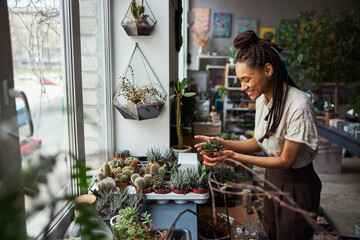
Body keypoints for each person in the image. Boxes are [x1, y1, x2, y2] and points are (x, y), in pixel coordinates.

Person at [195, 30, 322, 240]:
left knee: (291, 235)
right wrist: (224, 143)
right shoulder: (263, 99)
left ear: (268, 70)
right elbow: (258, 142)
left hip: (297, 185)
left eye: (246, 79)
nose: (243, 87)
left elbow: (286, 160)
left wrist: (232, 156)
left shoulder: (298, 104)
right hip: (272, 178)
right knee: (273, 232)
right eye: (240, 80)